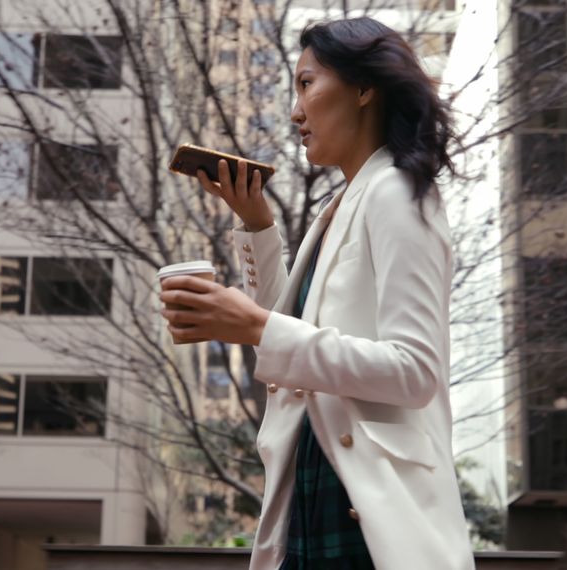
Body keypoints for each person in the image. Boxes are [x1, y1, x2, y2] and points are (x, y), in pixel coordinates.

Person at [159, 16, 475, 570]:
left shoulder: (398, 191)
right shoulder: (343, 205)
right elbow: (293, 346)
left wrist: (257, 327)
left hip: (368, 515)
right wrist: (256, 226)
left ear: (363, 87)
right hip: (315, 488)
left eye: (307, 84)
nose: (295, 111)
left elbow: (414, 370)